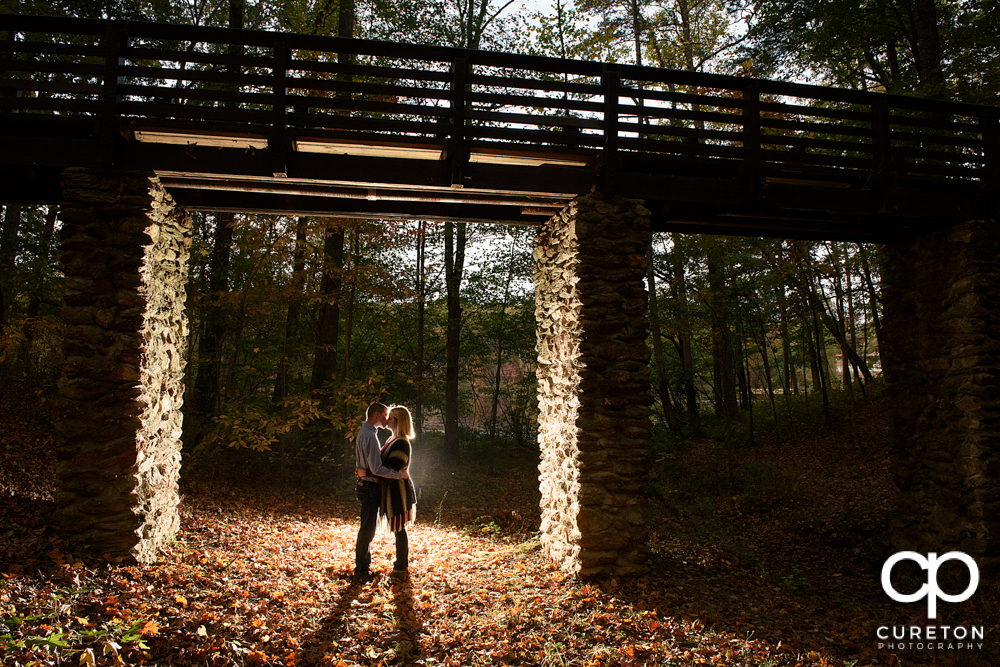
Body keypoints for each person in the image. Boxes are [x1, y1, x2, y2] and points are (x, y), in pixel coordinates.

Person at [354, 402, 407, 582]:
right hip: (369, 487)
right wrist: (398, 474)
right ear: (377, 414)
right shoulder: (370, 436)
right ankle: (361, 569)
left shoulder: (365, 434)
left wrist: (363, 471)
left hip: (366, 484)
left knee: (367, 528)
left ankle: (363, 567)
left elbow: (366, 465)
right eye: (385, 416)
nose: (386, 420)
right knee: (367, 530)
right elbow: (376, 468)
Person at [377, 405, 417, 579]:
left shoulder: (401, 442)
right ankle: (401, 564)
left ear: (398, 422)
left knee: (399, 528)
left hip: (398, 491)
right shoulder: (392, 439)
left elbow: (390, 467)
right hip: (392, 489)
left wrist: (372, 469)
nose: (387, 421)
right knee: (398, 529)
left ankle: (401, 566)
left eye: (391, 419)